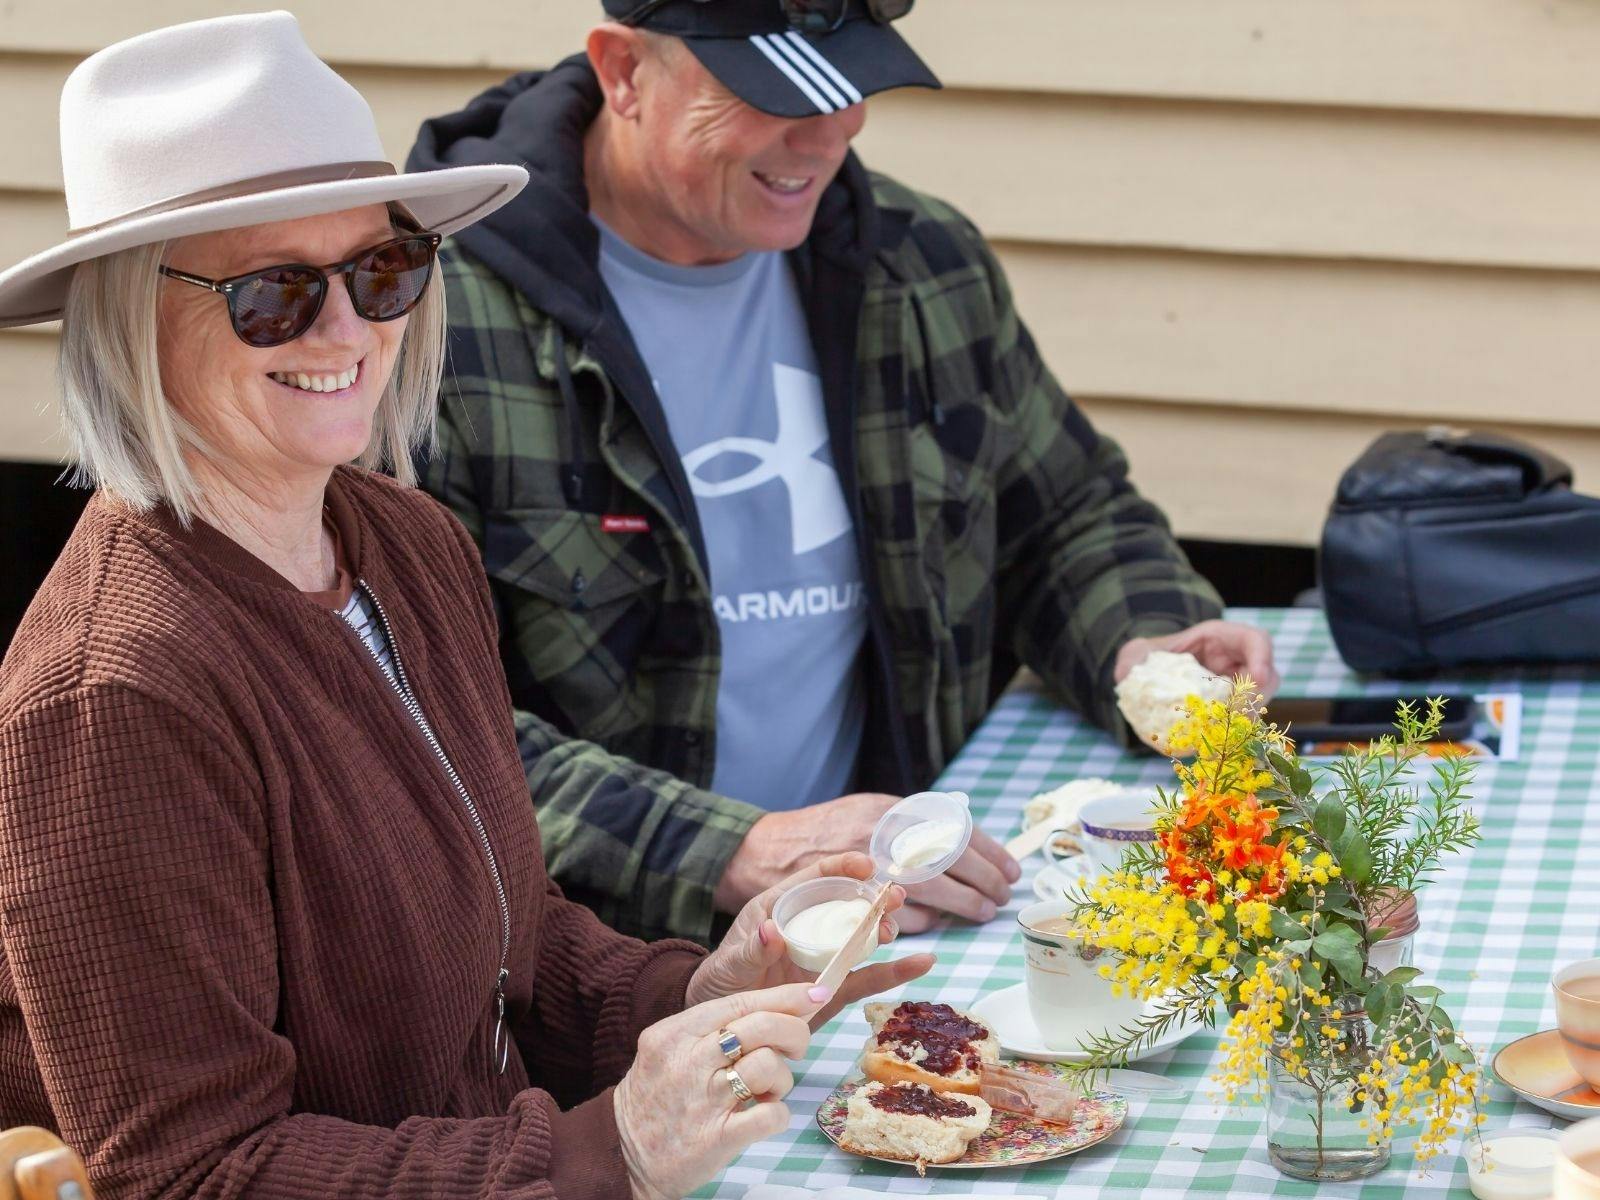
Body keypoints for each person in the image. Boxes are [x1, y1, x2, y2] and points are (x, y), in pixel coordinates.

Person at [0, 15, 929, 1200]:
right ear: (133, 318)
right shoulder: (116, 695)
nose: (348, 330)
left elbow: (502, 936)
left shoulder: (401, 541)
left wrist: (692, 989)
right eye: (273, 292)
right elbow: (194, 1175)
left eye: (383, 269)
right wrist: (608, 1150)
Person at [407, 0, 1281, 948]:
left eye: (852, 83)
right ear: (625, 73)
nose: (830, 134)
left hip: (907, 920)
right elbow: (407, 728)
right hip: (599, 968)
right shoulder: (420, 323)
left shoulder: (919, 261)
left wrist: (1142, 641)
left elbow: (1065, 514)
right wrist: (736, 850)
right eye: (775, 93)